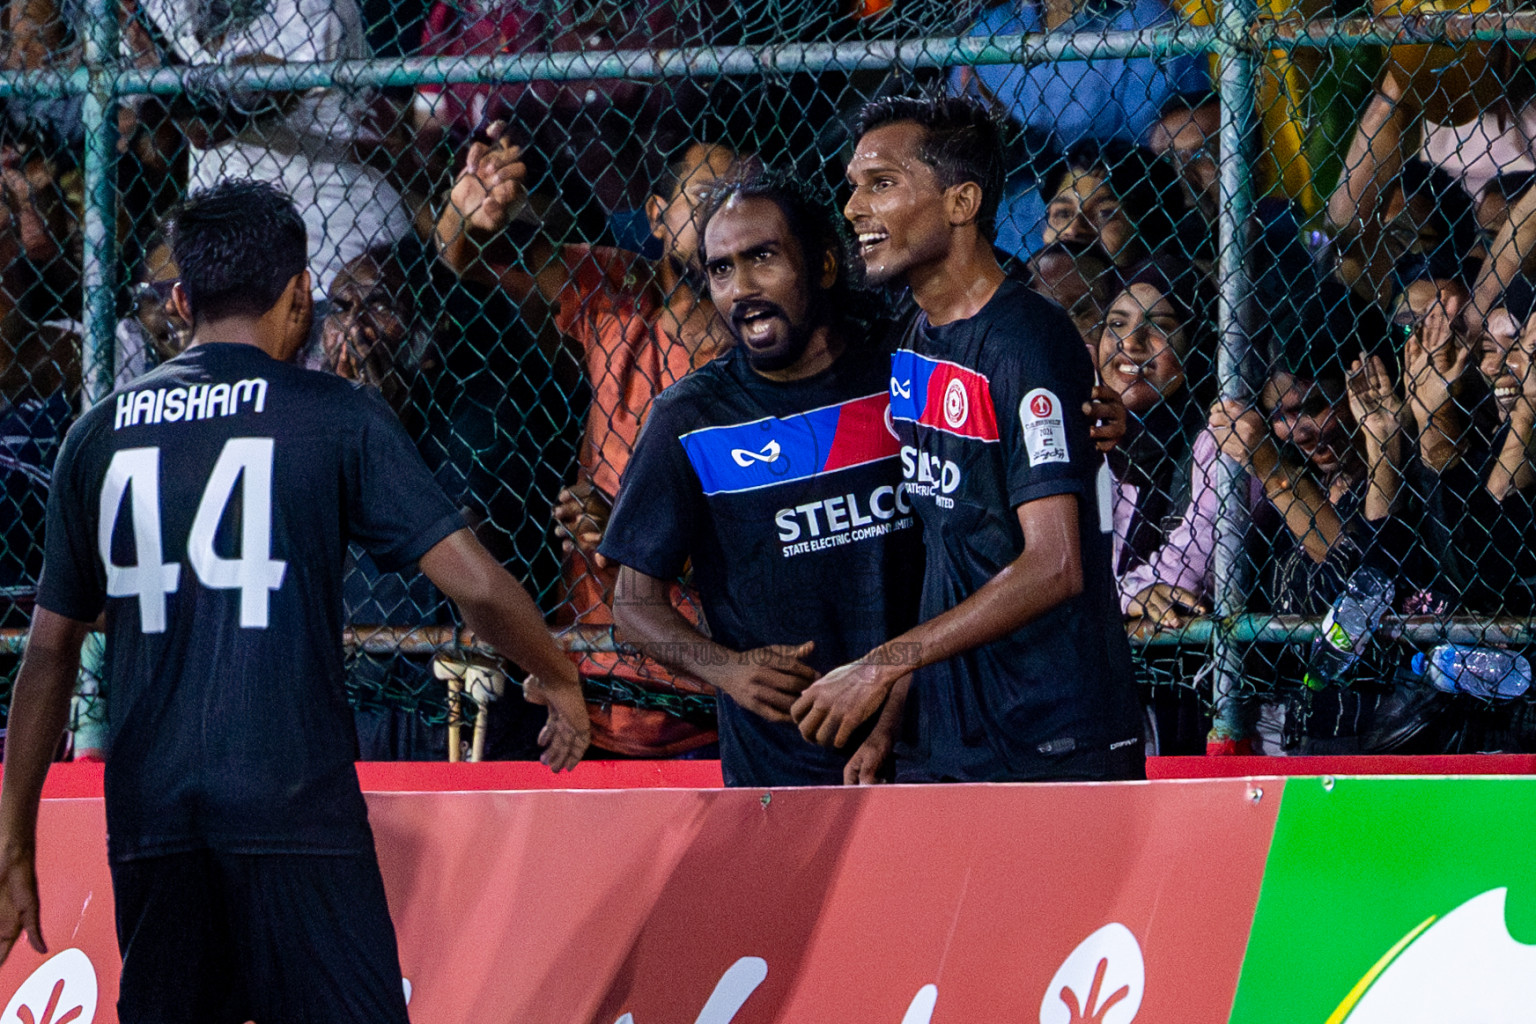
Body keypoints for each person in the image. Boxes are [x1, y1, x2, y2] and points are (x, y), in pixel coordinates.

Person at [0, 180, 588, 1018]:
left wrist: (14, 839)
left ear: (179, 299)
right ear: (302, 291)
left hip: (152, 817)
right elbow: (476, 586)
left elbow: (50, 653)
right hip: (292, 801)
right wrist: (559, 675)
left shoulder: (98, 432)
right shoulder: (334, 415)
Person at [793, 95, 1143, 782]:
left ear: (961, 203)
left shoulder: (1027, 344)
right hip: (953, 735)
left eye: (882, 183)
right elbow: (951, 549)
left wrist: (882, 663)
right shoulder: (917, 340)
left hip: (1050, 740)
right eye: (853, 187)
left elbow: (1057, 564)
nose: (855, 208)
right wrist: (893, 722)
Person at [602, 171, 920, 785]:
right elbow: (632, 604)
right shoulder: (688, 418)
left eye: (763, 258)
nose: (741, 288)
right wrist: (726, 670)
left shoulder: (904, 376)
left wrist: (899, 683)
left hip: (931, 744)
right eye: (721, 269)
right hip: (776, 773)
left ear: (825, 265)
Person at [437, 128, 740, 759]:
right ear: (656, 216)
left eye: (741, 199)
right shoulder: (615, 289)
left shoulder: (761, 350)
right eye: (707, 195)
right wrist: (466, 211)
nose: (725, 217)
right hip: (595, 685)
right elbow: (466, 260)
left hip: (717, 690)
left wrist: (631, 539)